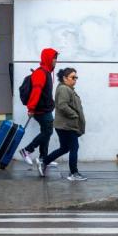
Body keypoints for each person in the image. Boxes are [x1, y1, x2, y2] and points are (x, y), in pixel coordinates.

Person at [42, 67, 87, 181]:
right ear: (65, 78)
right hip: (67, 125)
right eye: (72, 77)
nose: (75, 79)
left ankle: (44, 161)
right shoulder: (64, 89)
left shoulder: (68, 89)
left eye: (76, 77)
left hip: (64, 125)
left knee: (64, 148)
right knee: (74, 147)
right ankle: (73, 173)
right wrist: (75, 115)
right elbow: (62, 105)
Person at [18, 48, 58, 177]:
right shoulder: (40, 73)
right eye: (54, 58)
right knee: (48, 131)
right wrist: (31, 108)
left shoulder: (46, 72)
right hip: (40, 110)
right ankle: (26, 150)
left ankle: (43, 158)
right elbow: (36, 91)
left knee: (45, 132)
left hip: (45, 108)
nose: (55, 61)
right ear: (47, 58)